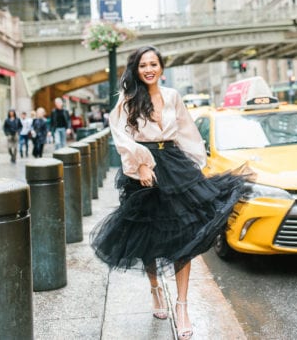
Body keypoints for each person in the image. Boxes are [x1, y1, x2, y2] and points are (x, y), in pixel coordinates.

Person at [90, 46, 251, 340]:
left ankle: (182, 305)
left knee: (184, 237)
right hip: (144, 169)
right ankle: (155, 290)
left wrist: (196, 167)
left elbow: (187, 131)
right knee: (148, 238)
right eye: (143, 65)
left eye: (153, 64)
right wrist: (139, 165)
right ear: (136, 70)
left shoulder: (173, 96)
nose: (149, 69)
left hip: (175, 165)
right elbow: (121, 137)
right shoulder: (127, 101)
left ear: (161, 68)